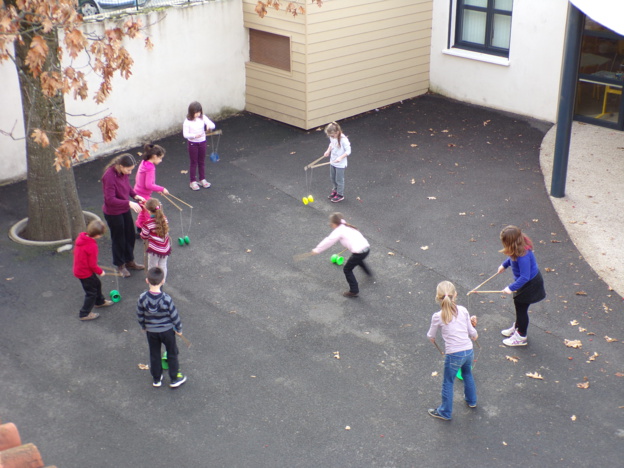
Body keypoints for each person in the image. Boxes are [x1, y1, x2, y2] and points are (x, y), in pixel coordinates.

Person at [426, 281, 478, 421]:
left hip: (454, 354)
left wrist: (432, 339)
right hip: (468, 350)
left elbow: (431, 335)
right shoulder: (463, 310)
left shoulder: (438, 316)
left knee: (448, 381)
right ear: (455, 295)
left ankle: (445, 412)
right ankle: (471, 400)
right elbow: (472, 333)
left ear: (438, 297)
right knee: (467, 374)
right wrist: (474, 327)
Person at [136, 267, 187, 388]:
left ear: (147, 280)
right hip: (167, 331)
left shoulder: (142, 298)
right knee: (172, 352)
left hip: (151, 331)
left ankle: (156, 379)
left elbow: (140, 314)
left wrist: (143, 326)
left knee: (154, 353)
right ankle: (174, 378)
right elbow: (174, 315)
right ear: (162, 281)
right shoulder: (166, 299)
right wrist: (178, 329)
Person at [497, 225, 546, 347]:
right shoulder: (517, 249)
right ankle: (518, 327)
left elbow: (525, 277)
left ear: (511, 243)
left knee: (521, 310)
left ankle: (521, 336)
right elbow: (511, 257)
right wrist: (504, 265)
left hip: (530, 285)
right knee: (519, 308)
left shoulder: (523, 256)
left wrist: (510, 288)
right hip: (525, 284)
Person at [101, 153, 145, 278]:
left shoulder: (123, 173)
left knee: (130, 235)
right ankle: (120, 265)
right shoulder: (108, 176)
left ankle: (130, 261)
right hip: (113, 212)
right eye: (128, 169)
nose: (130, 172)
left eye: (132, 169)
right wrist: (129, 203)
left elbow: (127, 187)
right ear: (120, 166)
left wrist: (135, 195)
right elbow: (110, 199)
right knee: (119, 238)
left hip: (124, 208)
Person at [309, 212, 371, 298]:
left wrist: (317, 250)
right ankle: (368, 272)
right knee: (358, 260)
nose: (331, 225)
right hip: (366, 249)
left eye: (331, 224)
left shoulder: (338, 231)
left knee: (347, 269)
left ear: (334, 224)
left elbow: (328, 241)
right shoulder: (347, 226)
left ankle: (354, 290)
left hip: (359, 252)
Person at [73, 219, 113, 321]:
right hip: (85, 272)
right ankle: (84, 313)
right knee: (91, 293)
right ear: (97, 235)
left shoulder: (82, 237)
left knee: (97, 284)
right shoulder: (92, 246)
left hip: (80, 269)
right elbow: (92, 265)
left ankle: (99, 301)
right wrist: (101, 272)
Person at [134, 144, 169, 232]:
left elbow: (148, 183)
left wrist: (156, 189)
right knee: (149, 214)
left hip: (138, 192)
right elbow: (149, 185)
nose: (161, 160)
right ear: (154, 156)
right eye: (160, 158)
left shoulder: (144, 162)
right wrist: (162, 189)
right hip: (143, 195)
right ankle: (148, 231)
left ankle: (139, 228)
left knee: (143, 212)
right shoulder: (150, 168)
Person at [182, 101, 216, 191]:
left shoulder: (203, 117)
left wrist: (208, 125)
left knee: (201, 162)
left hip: (202, 142)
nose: (197, 114)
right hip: (193, 143)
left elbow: (213, 125)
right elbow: (185, 134)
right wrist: (194, 136)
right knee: (194, 162)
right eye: (195, 113)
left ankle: (202, 179)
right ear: (191, 112)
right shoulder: (187, 121)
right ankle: (192, 181)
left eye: (199, 112)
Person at [140, 198, 171, 281]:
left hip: (155, 249)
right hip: (165, 247)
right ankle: (162, 281)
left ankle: (152, 282)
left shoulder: (148, 224)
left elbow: (144, 236)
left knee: (152, 266)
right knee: (163, 265)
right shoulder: (164, 218)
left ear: (149, 211)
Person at [322, 121, 351, 203]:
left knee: (339, 179)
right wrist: (328, 151)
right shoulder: (333, 137)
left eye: (332, 135)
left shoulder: (344, 140)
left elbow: (348, 151)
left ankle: (340, 194)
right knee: (333, 178)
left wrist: (341, 158)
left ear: (337, 132)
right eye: (330, 136)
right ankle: (335, 190)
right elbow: (331, 144)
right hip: (332, 161)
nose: (331, 137)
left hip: (340, 164)